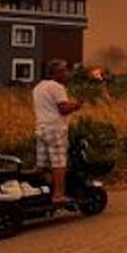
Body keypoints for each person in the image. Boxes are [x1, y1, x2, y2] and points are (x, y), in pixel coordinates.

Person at [33, 59, 82, 202]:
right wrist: (76, 105)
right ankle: (58, 195)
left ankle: (39, 192)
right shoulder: (57, 87)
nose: (67, 73)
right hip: (55, 129)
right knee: (59, 163)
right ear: (57, 73)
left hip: (41, 128)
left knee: (41, 165)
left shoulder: (38, 87)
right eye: (64, 70)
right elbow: (63, 109)